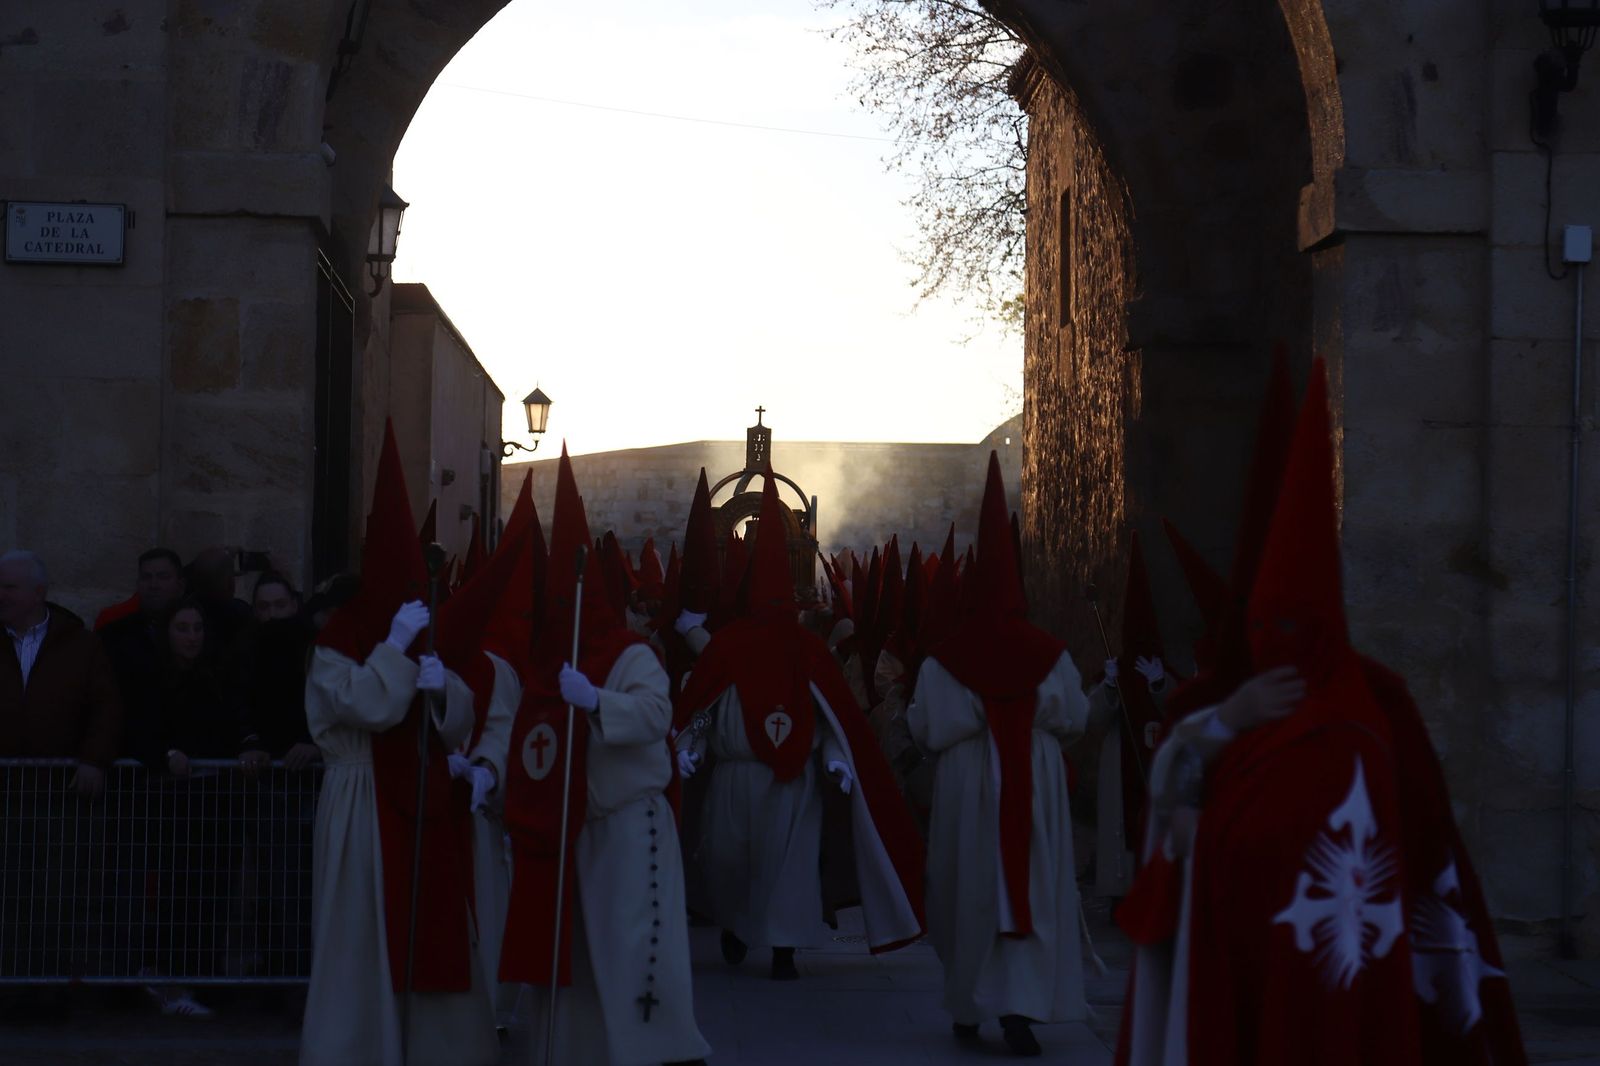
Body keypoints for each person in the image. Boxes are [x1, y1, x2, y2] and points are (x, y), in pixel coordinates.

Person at [498, 445, 710, 1066]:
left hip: (628, 826)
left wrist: (595, 701)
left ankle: (661, 1047)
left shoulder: (629, 657)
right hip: (575, 829)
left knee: (634, 944)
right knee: (583, 949)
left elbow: (655, 716)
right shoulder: (547, 665)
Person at [673, 471, 924, 983]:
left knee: (790, 868)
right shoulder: (730, 647)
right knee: (727, 859)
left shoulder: (806, 650)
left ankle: (784, 946)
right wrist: (692, 742)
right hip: (735, 777)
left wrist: (835, 755)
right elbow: (706, 702)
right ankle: (737, 925)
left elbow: (830, 714)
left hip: (793, 780)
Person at [299, 423, 497, 1066]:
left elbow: (455, 723)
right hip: (361, 800)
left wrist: (442, 689)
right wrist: (393, 650)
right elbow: (369, 706)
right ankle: (357, 1047)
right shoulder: (335, 649)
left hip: (416, 797)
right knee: (361, 933)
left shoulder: (418, 638)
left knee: (429, 928)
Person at [906, 453, 1087, 1057]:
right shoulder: (1050, 654)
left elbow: (929, 728)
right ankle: (1021, 1009)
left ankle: (970, 1005)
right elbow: (1073, 718)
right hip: (1031, 779)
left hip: (967, 781)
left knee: (969, 886)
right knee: (1030, 886)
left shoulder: (945, 658)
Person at [0, 549, 123, 985]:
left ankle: (47, 989)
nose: (2, 595)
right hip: (7, 792)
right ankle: (10, 986)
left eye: (9, 586)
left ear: (38, 593)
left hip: (60, 794)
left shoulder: (80, 645)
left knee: (56, 895)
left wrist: (94, 760)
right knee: (9, 895)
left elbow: (105, 707)